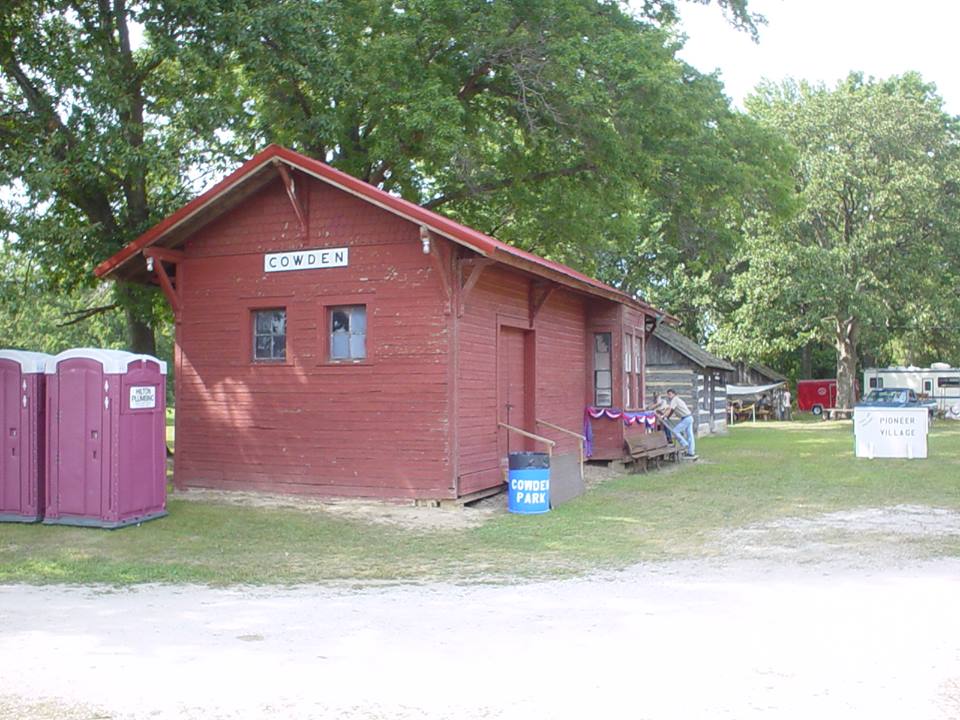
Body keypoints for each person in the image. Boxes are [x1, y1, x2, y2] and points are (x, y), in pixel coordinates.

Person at [664, 388, 697, 460]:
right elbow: (672, 411)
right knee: (690, 435)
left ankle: (684, 444)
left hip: (686, 418)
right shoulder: (677, 400)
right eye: (668, 394)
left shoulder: (674, 399)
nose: (669, 396)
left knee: (675, 431)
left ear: (674, 394)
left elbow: (670, 409)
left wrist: (664, 416)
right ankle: (691, 452)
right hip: (689, 417)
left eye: (670, 394)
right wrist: (668, 417)